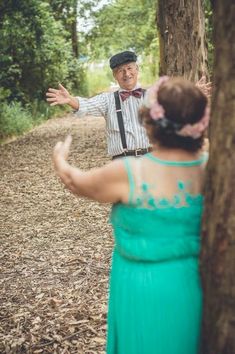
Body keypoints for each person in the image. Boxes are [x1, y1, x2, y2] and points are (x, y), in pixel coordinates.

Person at [53, 76, 209, 354]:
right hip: (203, 285)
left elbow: (75, 181)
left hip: (142, 289)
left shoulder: (129, 172)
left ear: (148, 123)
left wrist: (60, 159)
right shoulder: (215, 168)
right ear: (200, 123)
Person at [47, 50, 211, 160]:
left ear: (137, 69)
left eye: (129, 68)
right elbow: (86, 105)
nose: (127, 73)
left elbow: (176, 102)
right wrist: (70, 100)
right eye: (121, 70)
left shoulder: (153, 95)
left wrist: (194, 92)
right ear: (115, 75)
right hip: (122, 162)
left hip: (152, 159)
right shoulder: (108, 100)